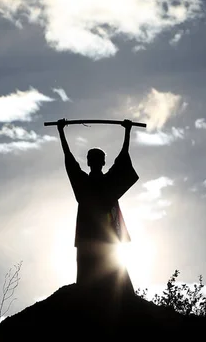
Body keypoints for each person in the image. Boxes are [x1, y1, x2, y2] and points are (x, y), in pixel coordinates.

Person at [57, 118, 139, 295]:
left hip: (98, 237)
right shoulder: (97, 183)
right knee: (106, 272)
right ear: (101, 162)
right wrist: (127, 131)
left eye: (95, 159)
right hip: (99, 237)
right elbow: (122, 160)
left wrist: (61, 131)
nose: (94, 162)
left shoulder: (91, 183)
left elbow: (69, 160)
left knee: (110, 271)